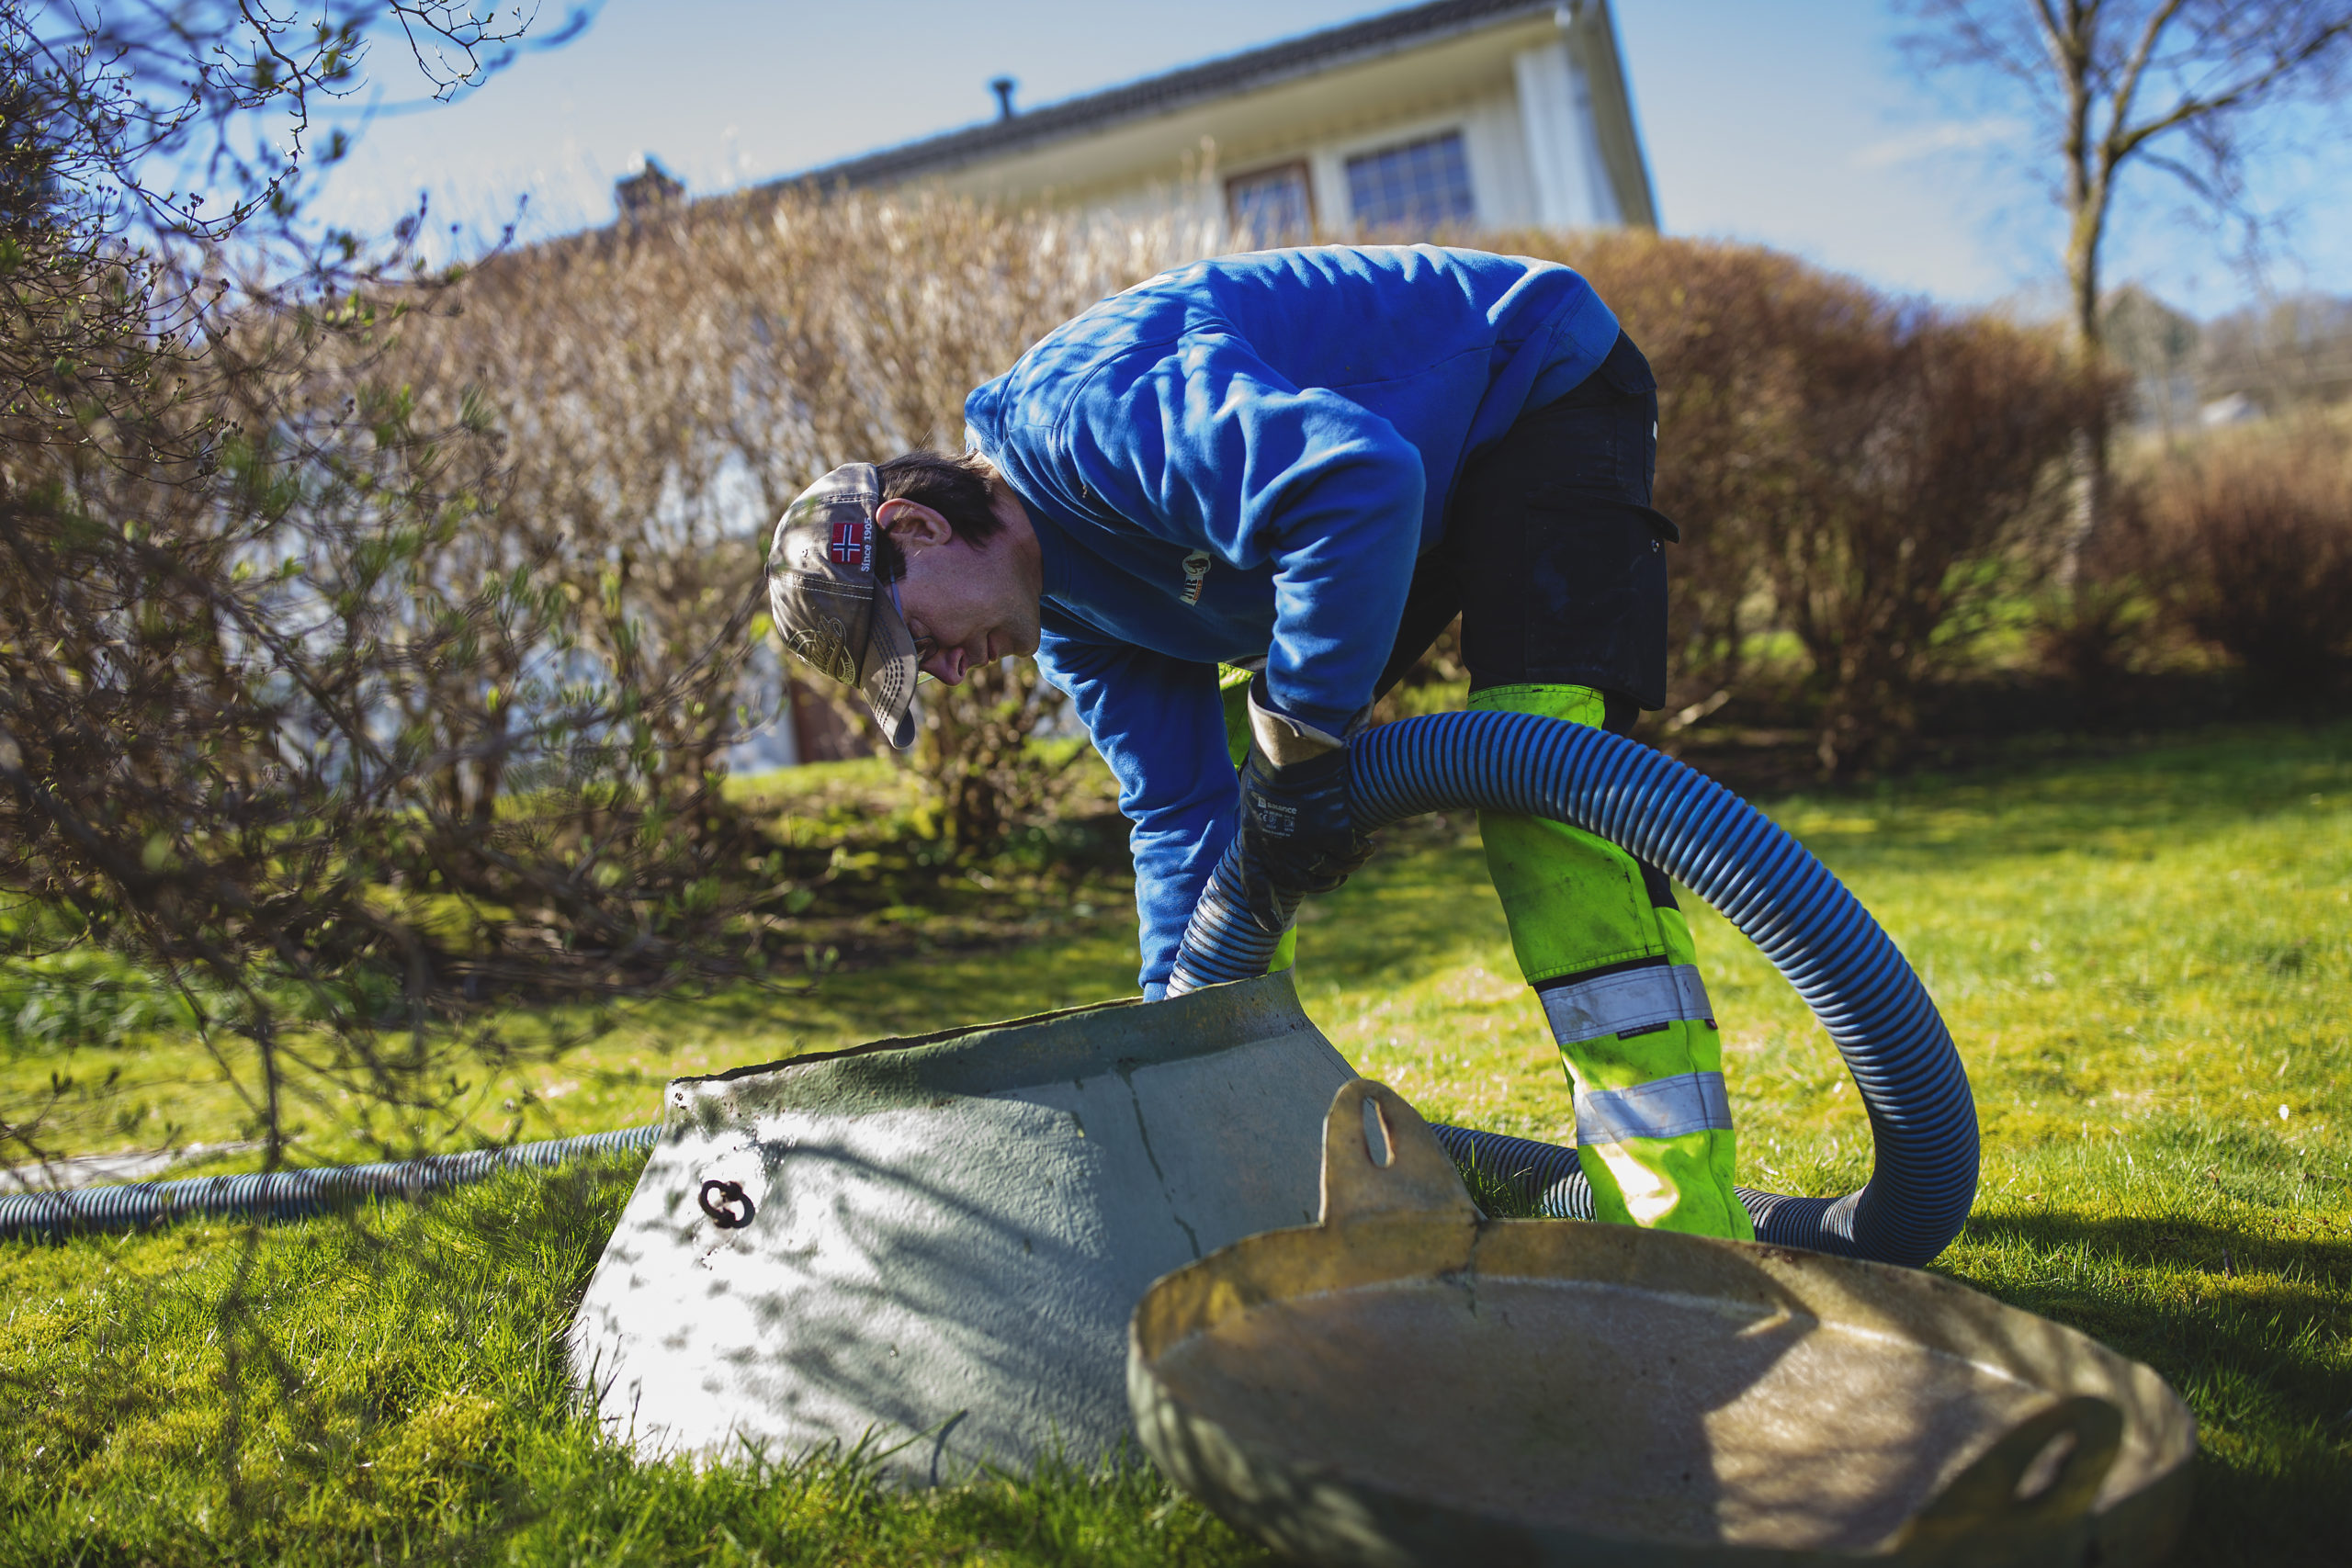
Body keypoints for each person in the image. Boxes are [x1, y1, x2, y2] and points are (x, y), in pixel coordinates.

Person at [764, 245, 1747, 1239]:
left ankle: (1679, 1230)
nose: (938, 671)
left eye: (910, 638)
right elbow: (1179, 814)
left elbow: (1354, 482)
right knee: (1251, 797)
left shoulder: (1091, 418)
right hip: (1412, 482)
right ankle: (1241, 1179)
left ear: (916, 526)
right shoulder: (1069, 615)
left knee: (1540, 778)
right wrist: (1171, 1050)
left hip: (1529, 387)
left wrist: (1306, 739)